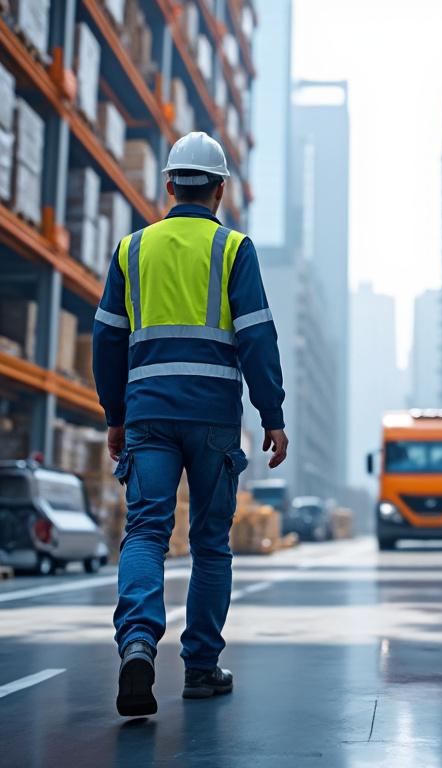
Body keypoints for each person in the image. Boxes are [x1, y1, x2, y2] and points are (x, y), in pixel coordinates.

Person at [92, 132, 288, 716]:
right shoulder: (234, 249)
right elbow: (256, 336)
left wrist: (115, 415)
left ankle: (137, 646)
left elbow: (107, 338)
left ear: (171, 184)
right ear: (221, 191)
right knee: (209, 544)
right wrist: (272, 415)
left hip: (148, 415)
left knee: (147, 533)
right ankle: (200, 667)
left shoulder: (132, 249)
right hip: (213, 419)